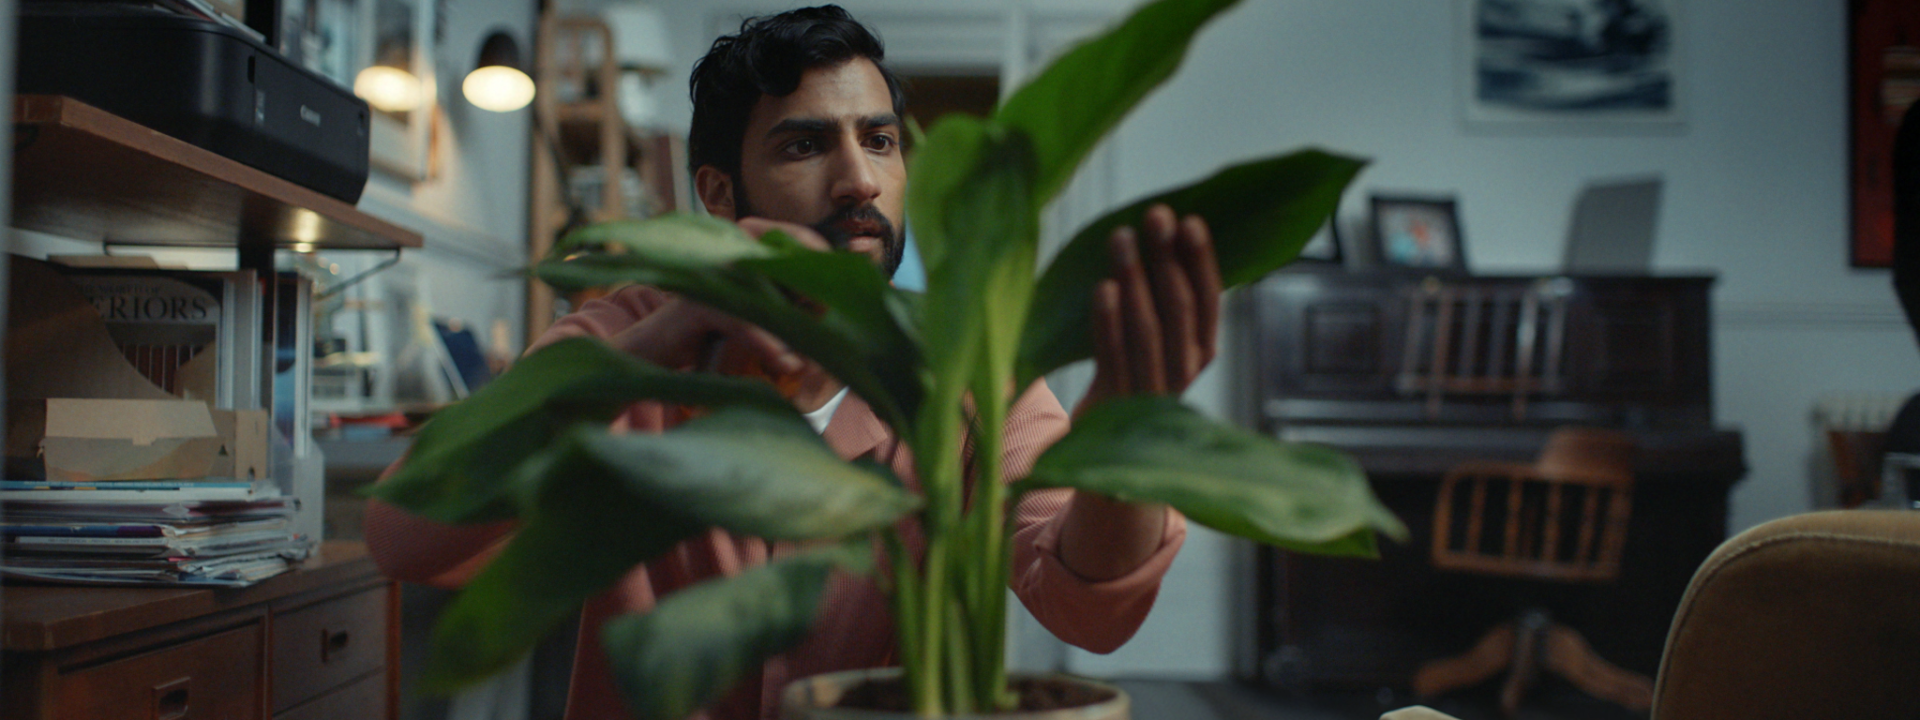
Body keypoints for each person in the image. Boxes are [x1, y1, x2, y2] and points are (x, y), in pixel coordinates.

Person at [366, 6, 1222, 719]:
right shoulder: (626, 335)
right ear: (717, 194)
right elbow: (404, 537)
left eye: (880, 140)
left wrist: (1121, 438)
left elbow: (1087, 601)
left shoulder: (968, 367)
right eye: (805, 145)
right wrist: (643, 359)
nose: (859, 179)